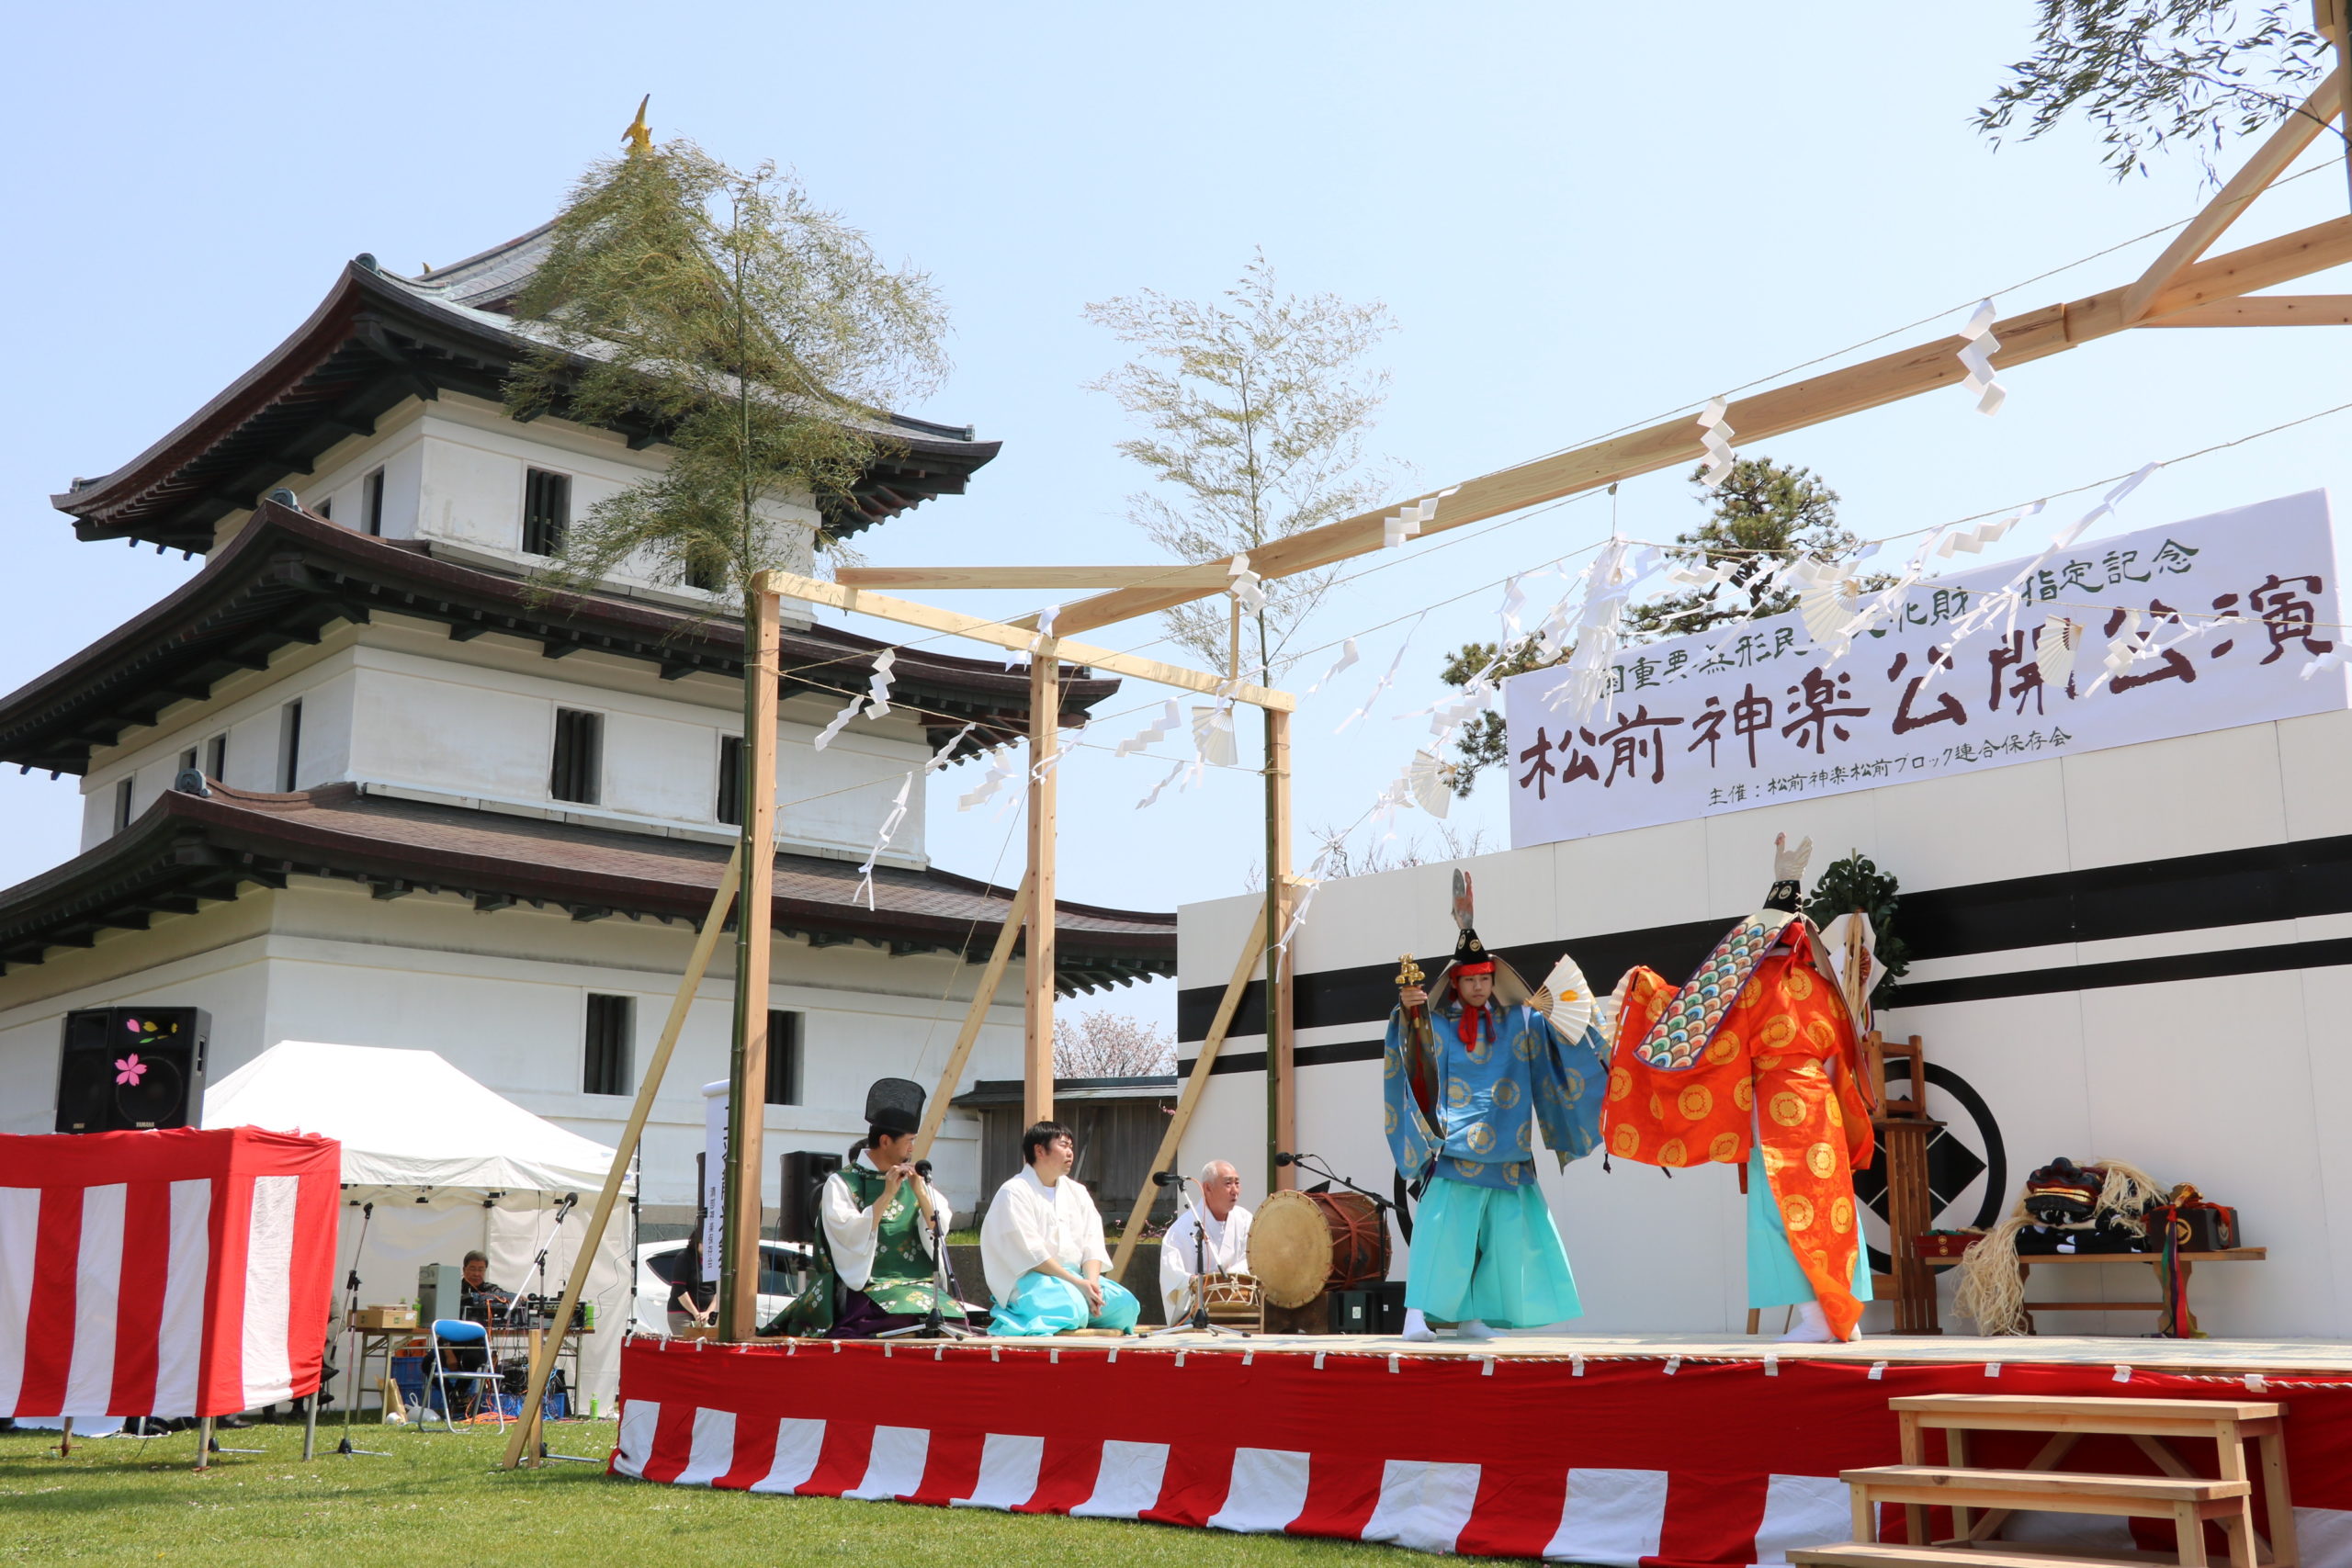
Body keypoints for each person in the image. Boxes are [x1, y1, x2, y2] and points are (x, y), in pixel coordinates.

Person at [1601, 835, 1876, 1343]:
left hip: (1774, 1107)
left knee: (1780, 1207)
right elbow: (1845, 1054)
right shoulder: (1823, 987)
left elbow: (1693, 1033)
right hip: (1821, 1105)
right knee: (1833, 1204)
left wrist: (1647, 990)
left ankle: (1818, 1318)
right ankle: (1843, 1317)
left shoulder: (1746, 986)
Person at [1384, 878, 1608, 1343]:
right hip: (1454, 1146)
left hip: (1508, 1146)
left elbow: (1559, 1048)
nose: (1481, 987)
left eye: (1486, 979)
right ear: (1457, 984)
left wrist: (1579, 1013)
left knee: (1502, 1238)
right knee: (1441, 1234)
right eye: (1472, 980)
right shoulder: (1440, 1024)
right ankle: (1416, 1316)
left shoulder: (1521, 1019)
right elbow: (1414, 1056)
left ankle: (1473, 1315)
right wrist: (1409, 1013)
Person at [769, 1078, 957, 1338]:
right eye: (908, 1141)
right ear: (885, 1141)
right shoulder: (842, 1183)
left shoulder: (915, 1181)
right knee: (900, 1325)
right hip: (869, 1289)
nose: (913, 1149)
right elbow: (849, 1235)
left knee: (952, 1323)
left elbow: (939, 1231)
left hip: (921, 1288)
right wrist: (886, 1195)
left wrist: (920, 1193)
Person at [979, 1121, 1140, 1336]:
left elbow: (1092, 1244)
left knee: (1126, 1307)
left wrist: (1091, 1285)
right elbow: (1031, 1252)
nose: (1070, 1152)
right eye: (1063, 1145)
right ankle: (1021, 1314)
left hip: (1078, 1279)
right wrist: (1076, 1283)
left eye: (1071, 1147)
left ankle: (1082, 1311)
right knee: (1070, 1307)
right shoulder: (1014, 1191)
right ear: (1039, 1150)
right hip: (1032, 1279)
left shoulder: (1078, 1192)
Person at [1158, 1159, 1253, 1323]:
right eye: (1228, 1183)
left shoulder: (1245, 1219)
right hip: (1197, 1312)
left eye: (1237, 1183)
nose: (1235, 1190)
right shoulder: (1182, 1228)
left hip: (1242, 1302)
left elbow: (1255, 1258)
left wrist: (1230, 1277)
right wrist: (1193, 1280)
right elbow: (1172, 1274)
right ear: (1207, 1188)